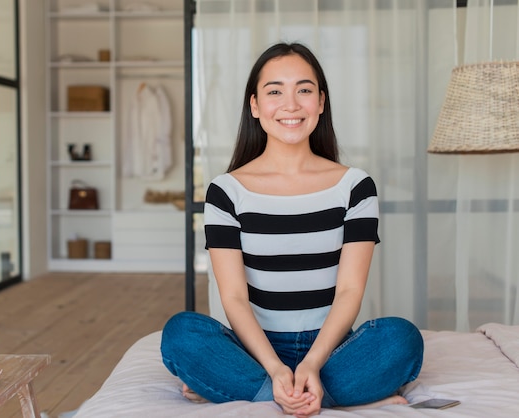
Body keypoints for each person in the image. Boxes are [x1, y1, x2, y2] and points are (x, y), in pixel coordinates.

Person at [160, 42, 423, 417]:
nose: (291, 104)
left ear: (320, 102)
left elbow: (350, 291)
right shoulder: (225, 191)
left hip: (331, 348)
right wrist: (275, 367)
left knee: (401, 339)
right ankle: (318, 395)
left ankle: (253, 392)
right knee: (181, 333)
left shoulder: (356, 187)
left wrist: (313, 363)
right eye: (274, 91)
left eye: (303, 89)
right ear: (255, 105)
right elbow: (233, 297)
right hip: (255, 349)